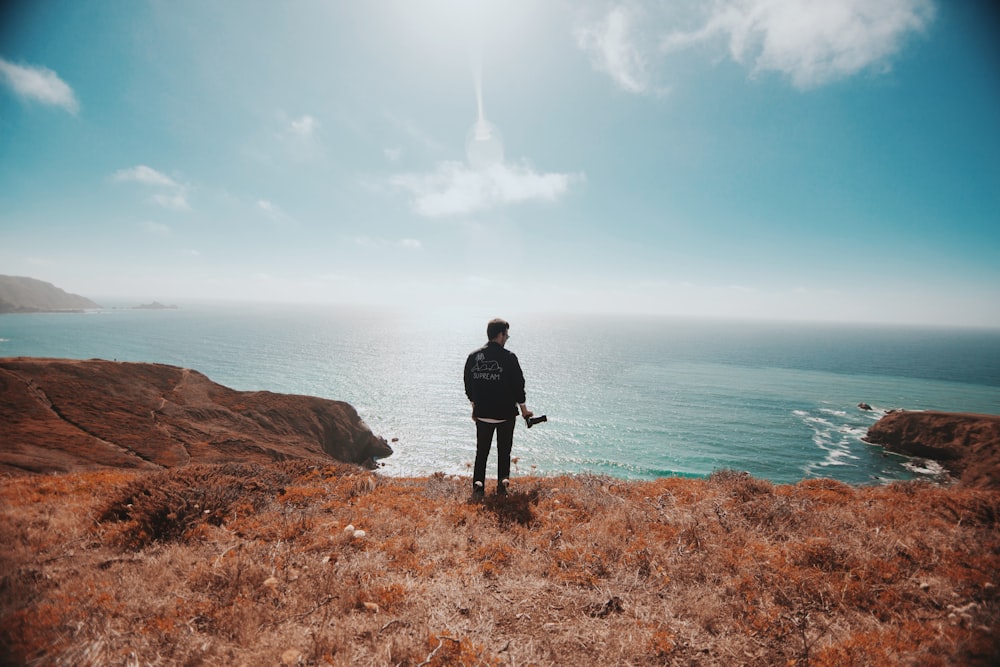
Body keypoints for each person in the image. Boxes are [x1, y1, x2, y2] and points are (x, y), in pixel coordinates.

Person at [463, 318, 533, 499]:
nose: (507, 338)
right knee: (504, 452)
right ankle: (502, 489)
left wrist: (474, 406)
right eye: (506, 335)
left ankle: (478, 490)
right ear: (500, 334)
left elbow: (469, 386)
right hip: (505, 415)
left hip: (482, 415)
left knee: (482, 453)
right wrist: (524, 410)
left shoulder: (473, 357)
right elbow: (519, 386)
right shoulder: (509, 358)